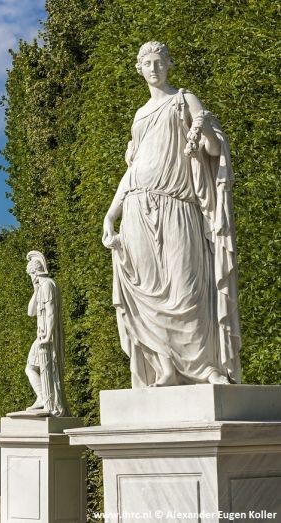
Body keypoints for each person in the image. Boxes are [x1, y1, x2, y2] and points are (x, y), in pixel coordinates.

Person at [102, 41, 241, 388]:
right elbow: (132, 171)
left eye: (159, 62)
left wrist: (204, 129)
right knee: (146, 289)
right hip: (136, 207)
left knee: (187, 286)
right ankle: (165, 367)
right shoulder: (139, 116)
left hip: (177, 203)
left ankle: (207, 367)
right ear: (139, 68)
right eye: (147, 63)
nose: (154, 68)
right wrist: (110, 214)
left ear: (169, 65)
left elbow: (211, 147)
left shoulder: (184, 100)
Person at [25, 251, 69, 416]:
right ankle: (42, 397)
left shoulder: (48, 285)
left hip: (46, 336)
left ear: (35, 272)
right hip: (42, 335)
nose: (30, 277)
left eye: (30, 274)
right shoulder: (41, 287)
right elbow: (31, 312)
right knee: (30, 368)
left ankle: (47, 400)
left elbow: (51, 312)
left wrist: (49, 336)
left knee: (42, 368)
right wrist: (35, 291)